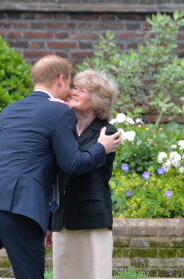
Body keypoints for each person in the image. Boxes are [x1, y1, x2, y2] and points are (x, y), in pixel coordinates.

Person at [0, 55, 121, 279]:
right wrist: (101, 148)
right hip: (20, 206)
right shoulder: (60, 112)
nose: (71, 91)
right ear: (60, 80)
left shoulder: (9, 110)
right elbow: (72, 164)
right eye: (70, 84)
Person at [50, 69, 119, 279]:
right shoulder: (65, 128)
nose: (74, 92)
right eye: (75, 88)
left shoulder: (106, 132)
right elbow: (56, 177)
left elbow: (78, 165)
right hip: (63, 222)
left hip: (93, 221)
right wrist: (50, 222)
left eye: (83, 90)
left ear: (98, 100)